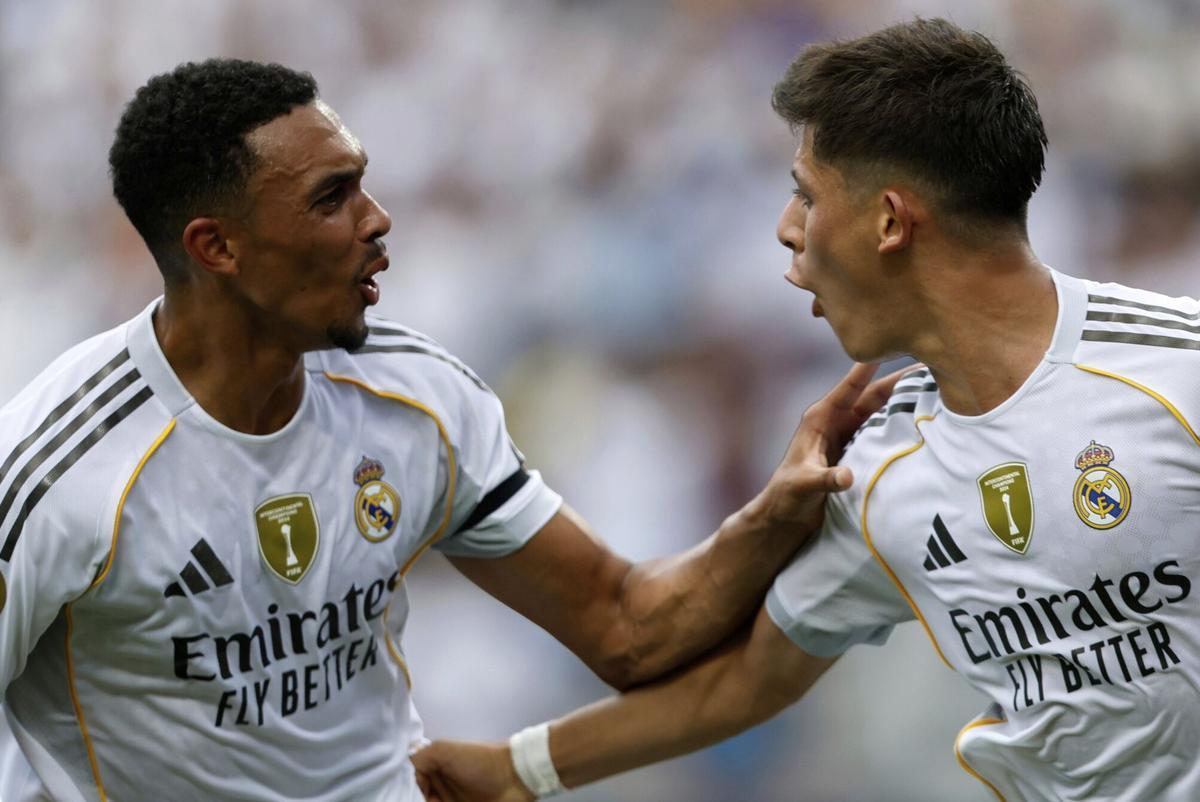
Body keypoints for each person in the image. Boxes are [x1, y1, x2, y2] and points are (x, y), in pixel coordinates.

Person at [0, 59, 902, 801]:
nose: (377, 220)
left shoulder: (415, 394)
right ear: (216, 247)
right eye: (332, 197)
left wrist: (772, 516)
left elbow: (627, 628)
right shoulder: (61, 467)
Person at [412, 18, 1200, 802]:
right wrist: (518, 768)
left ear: (891, 221)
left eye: (806, 195)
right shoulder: (877, 468)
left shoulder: (1176, 370)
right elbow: (746, 681)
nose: (787, 230)